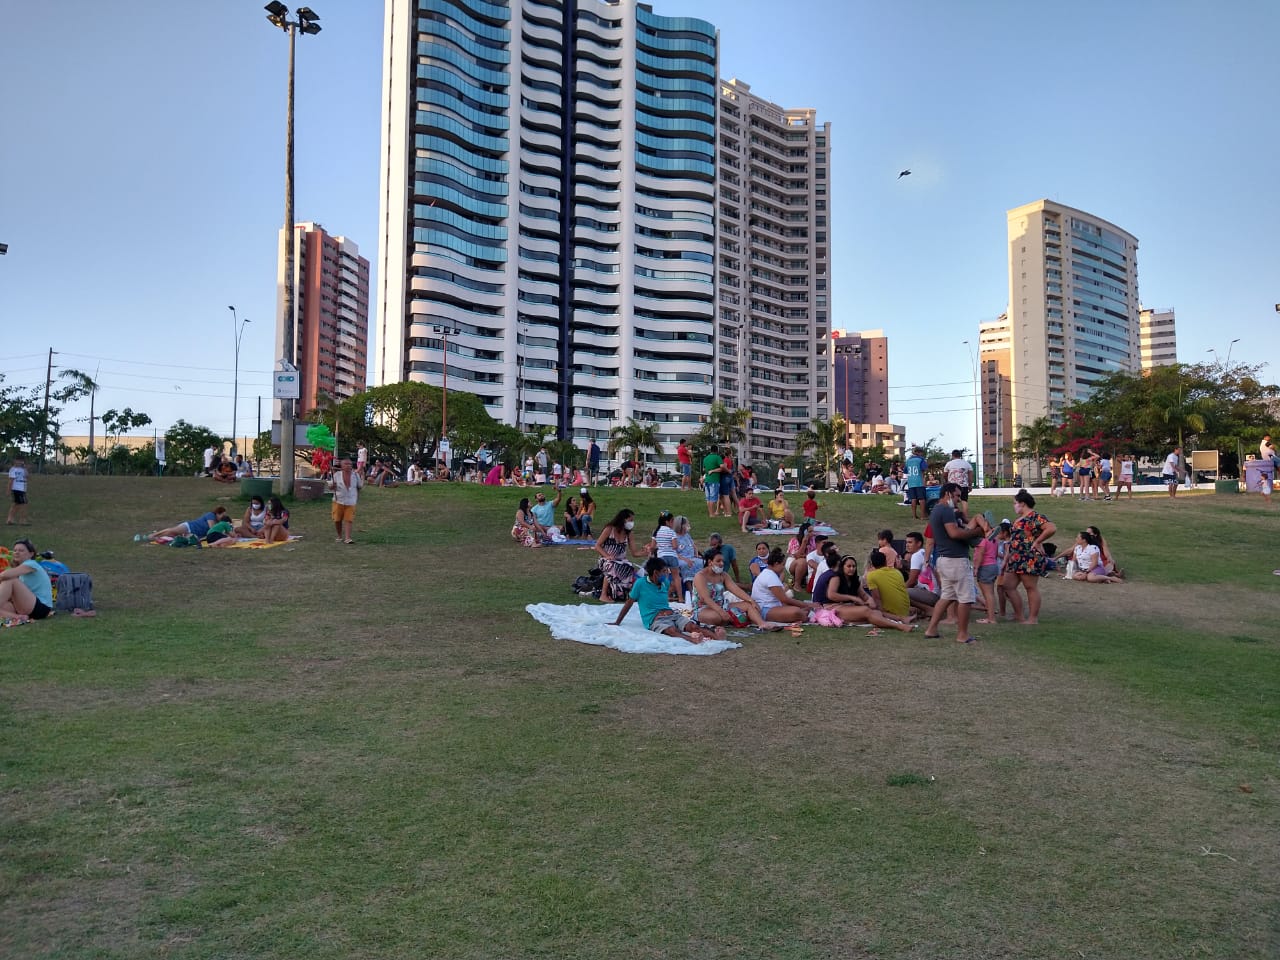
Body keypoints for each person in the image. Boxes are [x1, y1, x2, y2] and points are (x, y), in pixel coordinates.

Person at [923, 482, 988, 643]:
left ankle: (931, 629)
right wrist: (977, 532)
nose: (959, 499)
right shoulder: (945, 510)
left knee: (946, 597)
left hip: (944, 560)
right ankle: (962, 634)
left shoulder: (937, 510)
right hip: (956, 560)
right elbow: (954, 533)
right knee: (965, 598)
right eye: (957, 496)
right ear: (948, 494)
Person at [611, 557, 725, 644]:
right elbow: (629, 603)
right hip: (655, 620)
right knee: (671, 630)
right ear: (655, 573)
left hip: (672, 615)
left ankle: (717, 638)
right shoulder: (640, 584)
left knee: (693, 627)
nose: (667, 574)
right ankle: (692, 640)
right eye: (664, 571)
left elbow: (662, 597)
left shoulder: (664, 583)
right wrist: (617, 621)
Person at [1000, 489, 1057, 625]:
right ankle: (1019, 615)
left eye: (1015, 503)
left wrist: (1037, 541)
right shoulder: (1020, 519)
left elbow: (1051, 528)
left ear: (1023, 504)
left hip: (1029, 556)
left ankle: (1032, 618)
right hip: (1016, 557)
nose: (1014, 506)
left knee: (1030, 587)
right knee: (1008, 586)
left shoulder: (1034, 517)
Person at [821, 554, 915, 632]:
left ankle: (901, 619)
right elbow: (831, 595)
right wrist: (853, 598)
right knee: (866, 611)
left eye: (854, 566)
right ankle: (900, 626)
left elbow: (864, 595)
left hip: (848, 606)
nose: (852, 569)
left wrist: (870, 601)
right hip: (834, 607)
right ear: (842, 567)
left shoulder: (854, 580)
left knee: (875, 611)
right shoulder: (836, 578)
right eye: (848, 566)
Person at [690, 552, 774, 631]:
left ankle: (762, 624)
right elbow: (705, 598)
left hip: (723, 605)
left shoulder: (723, 575)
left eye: (723, 561)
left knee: (749, 605)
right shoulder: (700, 576)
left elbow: (735, 589)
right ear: (710, 562)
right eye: (718, 561)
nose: (722, 564)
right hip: (704, 608)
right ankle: (733, 618)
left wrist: (751, 600)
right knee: (717, 617)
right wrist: (720, 611)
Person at [750, 547, 817, 624]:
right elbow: (784, 599)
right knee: (797, 612)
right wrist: (807, 604)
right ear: (776, 564)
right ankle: (800, 615)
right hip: (764, 609)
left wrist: (805, 605)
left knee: (803, 609)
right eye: (783, 565)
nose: (783, 568)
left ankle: (799, 614)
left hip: (772, 606)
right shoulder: (770, 576)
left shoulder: (769, 573)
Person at [594, 509, 649, 602]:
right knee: (612, 566)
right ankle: (603, 595)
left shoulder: (629, 533)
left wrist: (646, 553)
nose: (632, 523)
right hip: (606, 559)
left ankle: (621, 592)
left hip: (621, 560)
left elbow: (634, 553)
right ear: (623, 520)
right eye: (630, 520)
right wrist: (607, 556)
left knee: (629, 567)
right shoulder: (609, 529)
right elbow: (597, 546)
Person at [0, 538, 55, 622]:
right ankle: (19, 617)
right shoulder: (21, 569)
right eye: (15, 550)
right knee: (4, 605)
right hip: (29, 605)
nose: (17, 552)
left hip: (41, 608)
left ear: (31, 554)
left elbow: (4, 575)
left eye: (21, 550)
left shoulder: (31, 564)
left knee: (10, 579)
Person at [865, 549, 912, 622]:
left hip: (894, 613)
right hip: (905, 611)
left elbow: (877, 598)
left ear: (872, 564)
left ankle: (901, 618)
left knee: (871, 610)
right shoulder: (897, 572)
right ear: (886, 562)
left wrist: (881, 613)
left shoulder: (871, 576)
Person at [903, 531, 938, 615]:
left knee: (901, 593)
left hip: (931, 594)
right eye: (906, 542)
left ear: (919, 543)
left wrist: (899, 590)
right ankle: (920, 610)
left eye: (910, 542)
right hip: (937, 593)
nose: (907, 545)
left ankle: (928, 610)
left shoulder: (916, 555)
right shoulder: (924, 553)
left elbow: (912, 581)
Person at [329, 457, 363, 544]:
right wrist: (333, 486)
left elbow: (359, 487)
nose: (349, 466)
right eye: (346, 464)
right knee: (337, 520)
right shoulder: (336, 475)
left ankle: (348, 538)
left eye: (350, 464)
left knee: (349, 519)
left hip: (351, 501)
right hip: (338, 500)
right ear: (341, 466)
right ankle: (339, 536)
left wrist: (357, 497)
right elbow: (330, 487)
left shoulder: (355, 475)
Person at [148, 506, 229, 541]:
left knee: (172, 536)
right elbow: (212, 528)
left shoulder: (218, 522)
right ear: (217, 513)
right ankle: (154, 535)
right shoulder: (211, 515)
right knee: (172, 531)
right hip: (189, 527)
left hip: (193, 533)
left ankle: (157, 536)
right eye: (222, 515)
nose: (223, 517)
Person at [651, 510, 682, 600]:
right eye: (672, 521)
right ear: (667, 522)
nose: (673, 523)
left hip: (661, 556)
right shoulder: (671, 532)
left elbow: (653, 546)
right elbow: (675, 546)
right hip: (672, 556)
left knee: (664, 577)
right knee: (676, 577)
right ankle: (680, 597)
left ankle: (665, 596)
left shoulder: (656, 531)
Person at [671, 516, 704, 589]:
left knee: (702, 562)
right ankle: (690, 589)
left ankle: (700, 586)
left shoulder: (687, 535)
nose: (688, 526)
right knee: (687, 565)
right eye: (687, 524)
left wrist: (696, 555)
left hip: (691, 557)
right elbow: (674, 552)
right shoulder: (674, 537)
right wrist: (685, 559)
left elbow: (694, 546)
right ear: (681, 526)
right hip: (680, 559)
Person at [905, 446, 928, 519]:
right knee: (922, 499)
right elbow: (924, 468)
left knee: (913, 499)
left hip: (911, 482)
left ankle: (914, 516)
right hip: (919, 481)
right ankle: (922, 516)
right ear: (919, 452)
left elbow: (905, 471)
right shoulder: (921, 459)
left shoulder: (908, 460)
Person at [701, 447, 724, 518]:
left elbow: (704, 469)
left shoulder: (706, 458)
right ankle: (712, 514)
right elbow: (722, 467)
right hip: (714, 480)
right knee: (713, 498)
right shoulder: (717, 457)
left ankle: (711, 513)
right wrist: (714, 470)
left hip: (707, 480)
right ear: (717, 451)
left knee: (708, 498)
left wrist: (710, 469)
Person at [7, 455, 29, 525]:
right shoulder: (13, 469)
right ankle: (22, 520)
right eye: (18, 460)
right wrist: (9, 490)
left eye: (21, 461)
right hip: (16, 488)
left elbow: (27, 476)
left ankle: (10, 519)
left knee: (17, 504)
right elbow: (11, 480)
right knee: (23, 504)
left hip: (22, 488)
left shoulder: (23, 469)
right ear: (15, 461)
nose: (20, 462)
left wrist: (25, 468)